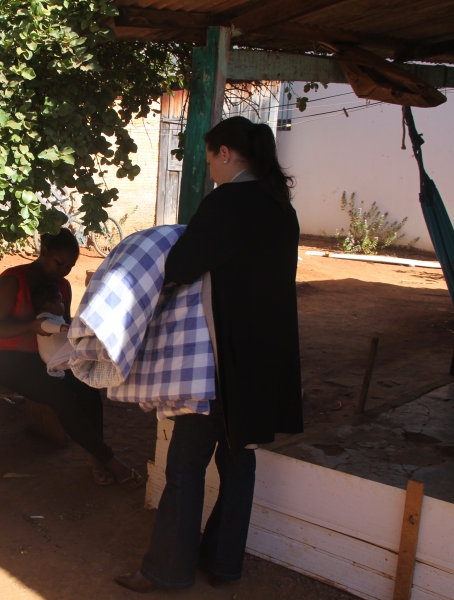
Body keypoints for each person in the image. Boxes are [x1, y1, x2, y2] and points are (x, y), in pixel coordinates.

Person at [115, 116, 303, 592]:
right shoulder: (282, 208)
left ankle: (166, 571)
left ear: (225, 153)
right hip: (264, 361)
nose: (210, 170)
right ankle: (223, 565)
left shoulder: (228, 203)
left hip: (220, 361)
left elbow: (181, 265)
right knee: (240, 464)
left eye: (210, 159)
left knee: (185, 465)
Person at [0, 229, 144, 488]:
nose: (63, 271)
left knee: (87, 384)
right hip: (11, 361)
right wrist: (31, 327)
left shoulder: (62, 286)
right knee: (60, 395)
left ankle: (96, 457)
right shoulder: (12, 280)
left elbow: (65, 325)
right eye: (59, 263)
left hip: (52, 358)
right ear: (44, 251)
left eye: (69, 266)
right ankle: (110, 461)